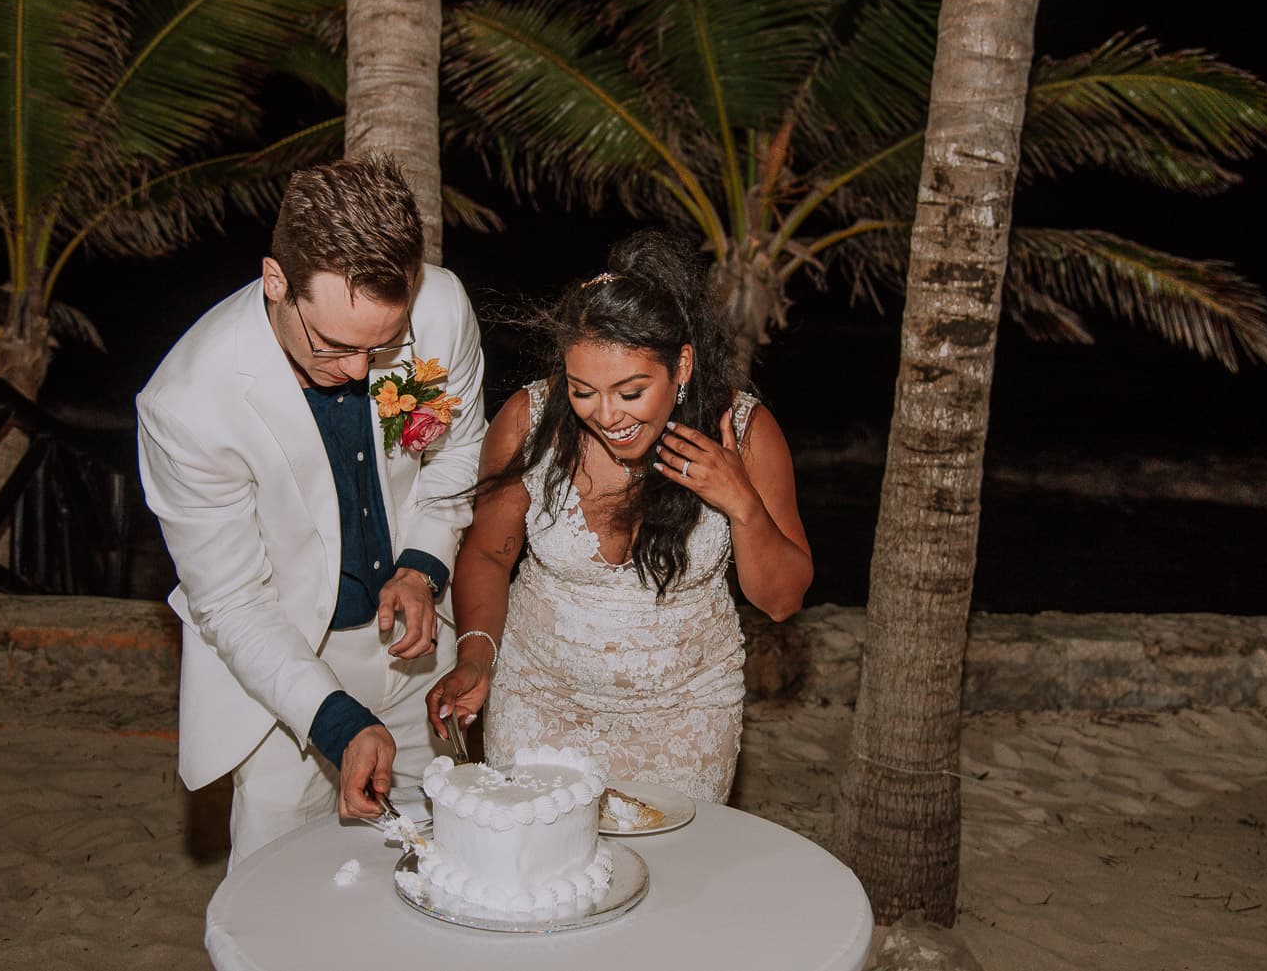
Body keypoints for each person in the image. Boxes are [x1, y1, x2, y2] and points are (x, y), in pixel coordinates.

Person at [137, 156, 486, 869]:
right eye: (333, 345)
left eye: (380, 345)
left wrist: (423, 567)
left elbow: (455, 455)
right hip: (283, 670)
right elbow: (233, 601)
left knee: (445, 869)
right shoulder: (187, 404)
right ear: (276, 282)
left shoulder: (441, 309)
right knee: (282, 894)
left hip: (418, 655)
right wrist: (335, 720)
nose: (360, 370)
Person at [425, 231, 812, 803]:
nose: (607, 415)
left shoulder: (745, 433)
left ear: (681, 366)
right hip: (540, 702)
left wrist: (739, 501)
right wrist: (476, 655)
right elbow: (487, 552)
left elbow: (780, 600)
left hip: (686, 715)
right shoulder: (530, 423)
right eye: (584, 390)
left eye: (631, 392)